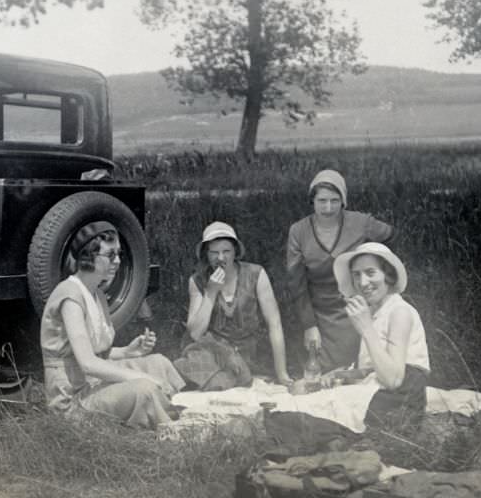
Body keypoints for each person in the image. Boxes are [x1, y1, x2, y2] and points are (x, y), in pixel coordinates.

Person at [40, 221, 185, 429]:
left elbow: (95, 353)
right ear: (88, 256)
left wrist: (128, 351)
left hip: (95, 383)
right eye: (110, 255)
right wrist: (142, 376)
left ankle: (166, 411)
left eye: (119, 254)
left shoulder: (96, 293)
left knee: (158, 363)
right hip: (74, 400)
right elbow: (88, 363)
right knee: (144, 387)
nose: (117, 261)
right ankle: (168, 424)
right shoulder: (70, 296)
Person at [286, 169, 394, 374]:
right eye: (322, 201)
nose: (328, 208)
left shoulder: (360, 223)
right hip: (321, 313)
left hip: (358, 305)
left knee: (366, 368)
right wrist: (309, 325)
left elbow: (390, 236)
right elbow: (296, 283)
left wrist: (375, 267)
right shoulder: (298, 232)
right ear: (312, 201)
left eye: (335, 201)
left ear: (344, 201)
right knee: (324, 374)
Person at [175, 221, 292, 389]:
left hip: (249, 352)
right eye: (214, 253)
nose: (221, 258)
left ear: (235, 251)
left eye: (226, 251)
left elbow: (275, 324)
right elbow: (195, 333)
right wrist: (210, 293)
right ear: (206, 254)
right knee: (207, 373)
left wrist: (282, 373)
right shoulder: (197, 280)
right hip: (214, 353)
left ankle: (235, 379)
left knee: (232, 381)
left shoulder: (255, 274)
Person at [323, 242, 430, 425]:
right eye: (356, 275)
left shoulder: (400, 312)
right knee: (320, 399)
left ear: (388, 275)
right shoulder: (375, 313)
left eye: (370, 273)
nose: (363, 282)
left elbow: (393, 379)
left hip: (401, 401)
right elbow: (374, 368)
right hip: (382, 394)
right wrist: (340, 375)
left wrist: (366, 328)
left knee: (321, 407)